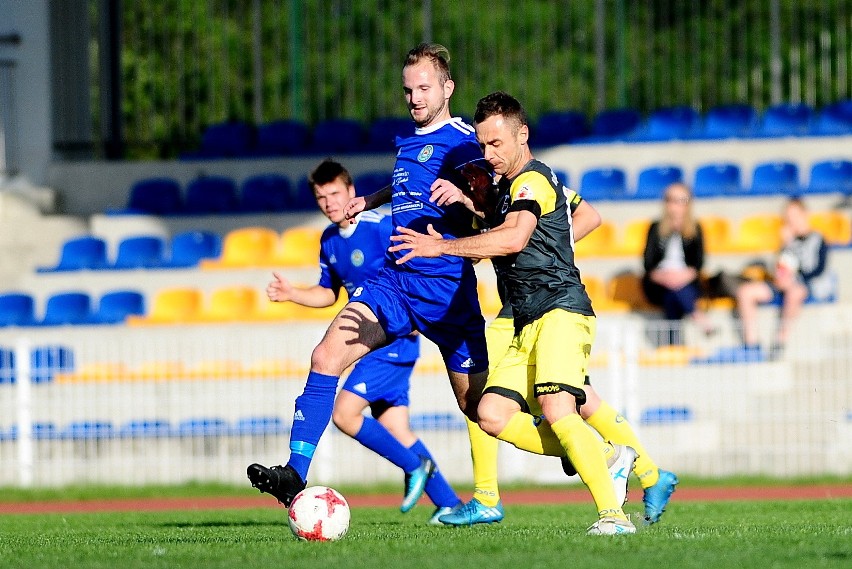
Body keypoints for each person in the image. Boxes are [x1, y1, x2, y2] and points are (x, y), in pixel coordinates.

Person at [390, 91, 665, 535]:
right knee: (489, 414)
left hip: (561, 312)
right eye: (482, 145)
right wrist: (466, 207)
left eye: (496, 144)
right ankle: (610, 454)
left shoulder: (532, 181)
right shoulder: (499, 188)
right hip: (524, 321)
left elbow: (515, 237)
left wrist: (441, 245)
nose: (487, 154)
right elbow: (500, 237)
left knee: (558, 409)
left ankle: (613, 518)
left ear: (523, 135)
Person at [247, 43, 490, 518]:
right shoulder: (412, 140)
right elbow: (410, 187)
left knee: (481, 410)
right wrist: (372, 199)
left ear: (448, 88)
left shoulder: (464, 141)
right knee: (325, 355)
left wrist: (465, 196)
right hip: (395, 282)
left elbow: (489, 213)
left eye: (424, 88)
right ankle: (294, 474)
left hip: (445, 292)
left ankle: (585, 444)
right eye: (408, 89)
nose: (415, 97)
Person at [263, 158, 462, 523]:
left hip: (394, 338)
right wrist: (292, 293)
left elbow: (414, 262)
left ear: (352, 192)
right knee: (396, 428)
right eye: (321, 197)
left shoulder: (381, 226)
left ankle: (413, 466)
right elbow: (329, 293)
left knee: (345, 412)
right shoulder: (328, 241)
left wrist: (416, 312)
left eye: (335, 193)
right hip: (369, 339)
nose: (329, 203)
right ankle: (450, 504)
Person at [735, 197, 834, 357]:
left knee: (795, 292)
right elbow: (781, 268)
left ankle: (780, 340)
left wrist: (794, 279)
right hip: (784, 283)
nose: (792, 221)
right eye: (788, 218)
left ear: (805, 214)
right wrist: (786, 245)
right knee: (745, 292)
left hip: (806, 285)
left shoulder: (818, 238)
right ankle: (751, 345)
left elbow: (818, 269)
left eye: (795, 216)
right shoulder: (787, 240)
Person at [641, 182, 715, 343]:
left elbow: (698, 263)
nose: (674, 205)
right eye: (670, 199)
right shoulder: (655, 228)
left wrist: (680, 278)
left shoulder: (695, 229)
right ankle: (697, 316)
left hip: (685, 281)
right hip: (660, 282)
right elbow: (648, 263)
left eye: (679, 200)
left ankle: (673, 344)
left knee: (674, 294)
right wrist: (666, 278)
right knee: (672, 291)